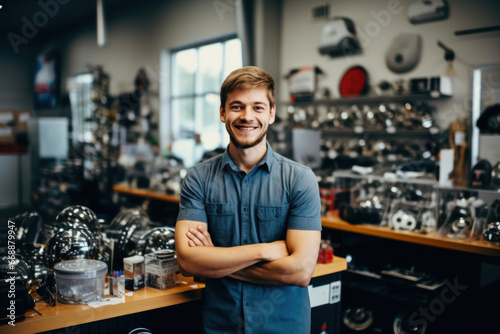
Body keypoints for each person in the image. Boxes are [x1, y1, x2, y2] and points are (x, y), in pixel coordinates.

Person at [175, 66, 322, 334]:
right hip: (221, 325)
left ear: (271, 113)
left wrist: (214, 264)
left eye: (257, 107)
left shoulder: (300, 180)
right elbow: (188, 262)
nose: (247, 117)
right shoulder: (198, 179)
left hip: (284, 327)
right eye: (237, 106)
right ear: (222, 112)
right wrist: (265, 250)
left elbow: (300, 272)